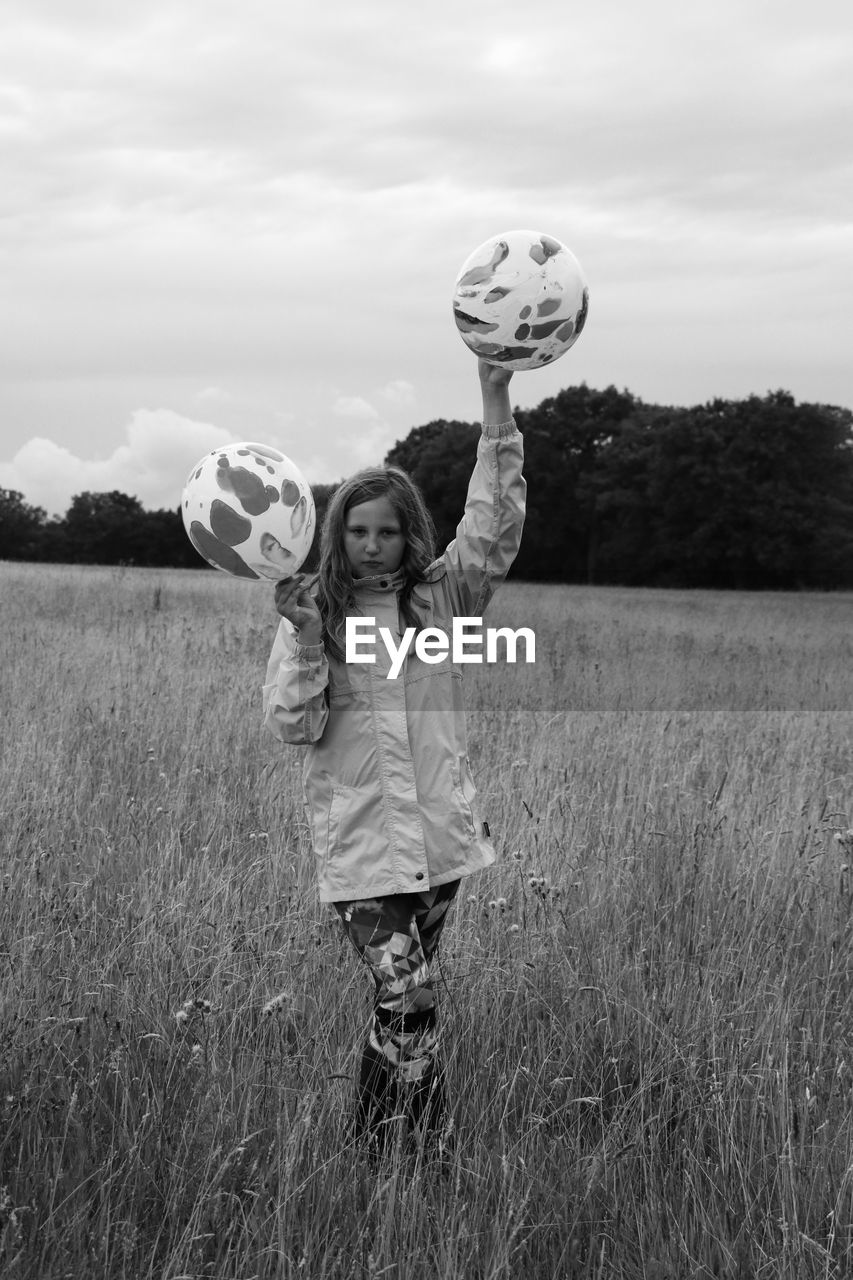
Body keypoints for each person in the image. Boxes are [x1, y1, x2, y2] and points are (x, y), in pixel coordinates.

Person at [262, 358, 525, 1155]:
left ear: (408, 532)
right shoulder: (313, 613)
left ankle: (376, 1150)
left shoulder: (443, 597)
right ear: (335, 532)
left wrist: (495, 400)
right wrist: (309, 640)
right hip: (364, 845)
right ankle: (426, 1150)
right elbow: (291, 725)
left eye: (386, 530)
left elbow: (494, 521)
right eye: (357, 529)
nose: (372, 546)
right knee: (410, 994)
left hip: (440, 838)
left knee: (401, 1004)